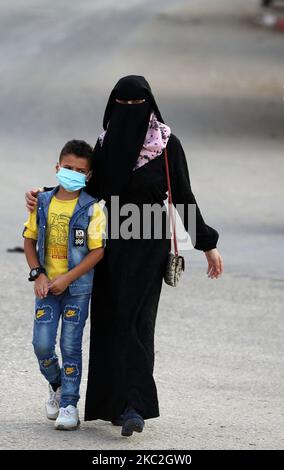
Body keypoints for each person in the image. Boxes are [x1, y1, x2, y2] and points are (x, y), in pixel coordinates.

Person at [26, 75, 223, 437]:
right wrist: (48, 195)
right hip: (107, 248)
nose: (131, 112)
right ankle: (113, 405)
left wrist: (206, 243)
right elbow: (90, 188)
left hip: (148, 246)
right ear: (112, 106)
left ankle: (136, 406)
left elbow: (182, 196)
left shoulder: (166, 145)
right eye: (124, 105)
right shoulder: (107, 143)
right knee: (110, 323)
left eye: (137, 105)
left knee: (137, 323)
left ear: (150, 105)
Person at [23, 140, 106, 431]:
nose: (72, 173)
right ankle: (56, 384)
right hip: (46, 289)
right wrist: (39, 275)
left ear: (89, 175)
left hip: (76, 292)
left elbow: (97, 251)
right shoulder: (42, 202)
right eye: (68, 168)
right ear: (57, 168)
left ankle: (69, 404)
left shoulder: (93, 209)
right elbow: (29, 240)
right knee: (42, 344)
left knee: (70, 347)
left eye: (79, 170)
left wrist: (67, 279)